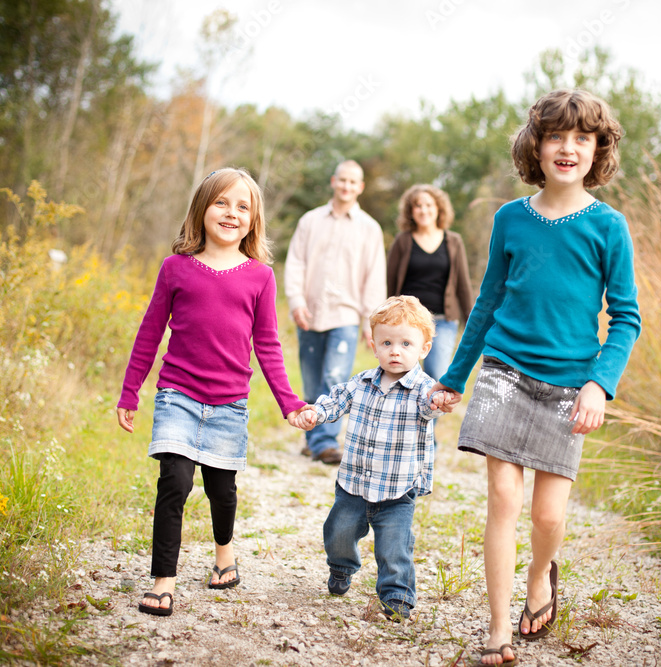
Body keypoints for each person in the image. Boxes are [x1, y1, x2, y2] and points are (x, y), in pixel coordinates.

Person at [431, 90, 641, 666]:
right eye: (556, 136)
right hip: (505, 370)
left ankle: (541, 576)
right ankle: (499, 626)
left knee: (548, 515)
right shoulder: (510, 220)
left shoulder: (608, 227)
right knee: (503, 496)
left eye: (581, 138)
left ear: (597, 150)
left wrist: (600, 384)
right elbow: (488, 301)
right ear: (537, 146)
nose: (567, 147)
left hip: (571, 383)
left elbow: (626, 317)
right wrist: (454, 376)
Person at [116, 168, 306, 617]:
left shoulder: (259, 276)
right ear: (201, 209)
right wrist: (130, 392)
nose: (231, 213)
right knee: (175, 482)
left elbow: (268, 345)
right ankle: (164, 580)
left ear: (253, 220)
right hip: (177, 395)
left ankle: (224, 555)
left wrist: (288, 402)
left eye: (243, 206)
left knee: (222, 490)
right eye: (221, 202)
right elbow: (149, 333)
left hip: (229, 402)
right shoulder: (175, 268)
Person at [291, 296, 455, 621]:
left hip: (397, 491)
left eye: (406, 343)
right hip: (353, 483)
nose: (396, 350)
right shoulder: (361, 383)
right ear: (373, 345)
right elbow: (334, 402)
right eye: (387, 342)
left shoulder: (424, 389)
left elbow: (430, 406)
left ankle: (397, 600)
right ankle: (341, 568)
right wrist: (316, 413)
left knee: (394, 550)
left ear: (424, 349)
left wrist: (441, 400)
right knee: (337, 533)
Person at [284, 160, 386, 465]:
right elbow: (296, 263)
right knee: (313, 378)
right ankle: (313, 438)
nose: (346, 186)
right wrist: (296, 300)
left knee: (334, 377)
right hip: (310, 312)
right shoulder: (310, 221)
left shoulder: (369, 228)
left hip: (345, 315)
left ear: (361, 187)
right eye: (342, 180)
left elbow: (374, 276)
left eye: (353, 182)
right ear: (333, 181)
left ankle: (325, 442)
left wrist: (372, 320)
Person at [387, 183, 473, 384]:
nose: (423, 210)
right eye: (418, 205)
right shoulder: (403, 241)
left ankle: (430, 417)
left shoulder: (453, 241)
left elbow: (463, 285)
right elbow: (390, 284)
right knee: (404, 377)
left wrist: (471, 321)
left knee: (437, 374)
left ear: (438, 209)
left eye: (429, 205)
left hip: (442, 321)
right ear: (411, 211)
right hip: (407, 321)